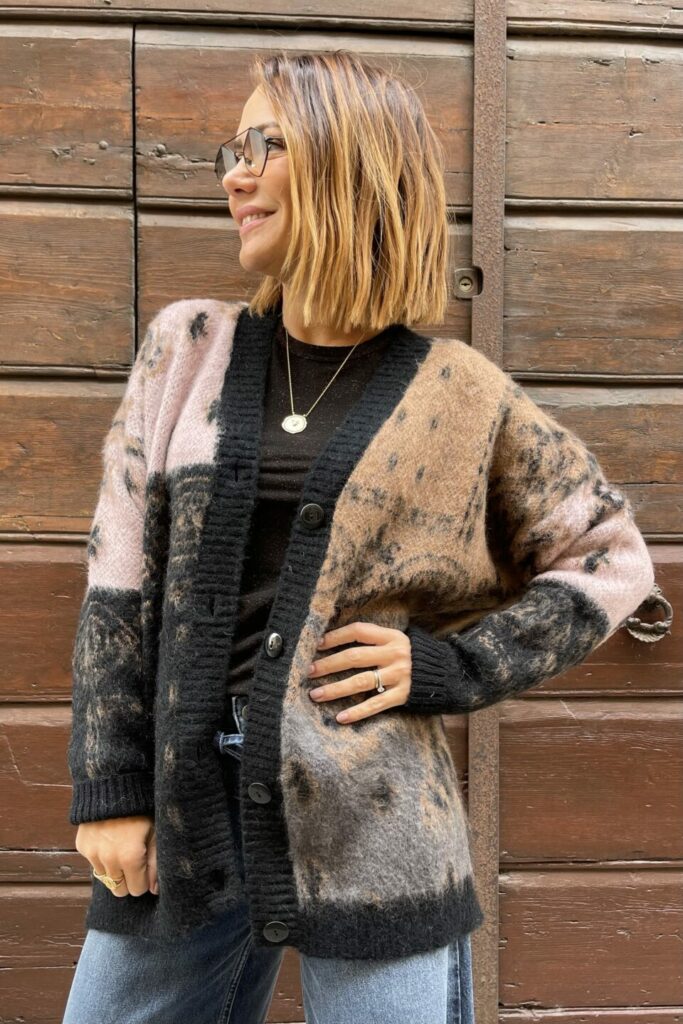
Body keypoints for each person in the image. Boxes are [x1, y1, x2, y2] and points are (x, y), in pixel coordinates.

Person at [62, 50, 655, 1024]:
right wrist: (111, 783)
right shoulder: (186, 349)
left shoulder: (458, 394)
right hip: (182, 813)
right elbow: (116, 585)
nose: (235, 174)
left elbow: (610, 556)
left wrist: (450, 667)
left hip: (380, 828)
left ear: (353, 162)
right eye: (232, 149)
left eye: (266, 145)